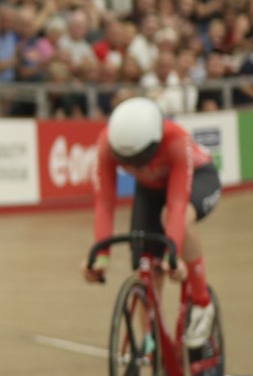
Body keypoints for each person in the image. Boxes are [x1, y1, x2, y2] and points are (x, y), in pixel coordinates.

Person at [85, 98, 221, 349]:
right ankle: (151, 340)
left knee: (175, 217)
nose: (137, 166)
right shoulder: (107, 143)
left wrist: (174, 254)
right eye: (130, 162)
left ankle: (203, 303)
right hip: (150, 190)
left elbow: (178, 204)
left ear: (155, 143)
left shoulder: (175, 139)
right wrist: (101, 257)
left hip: (197, 180)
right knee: (145, 263)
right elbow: (104, 203)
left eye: (142, 158)